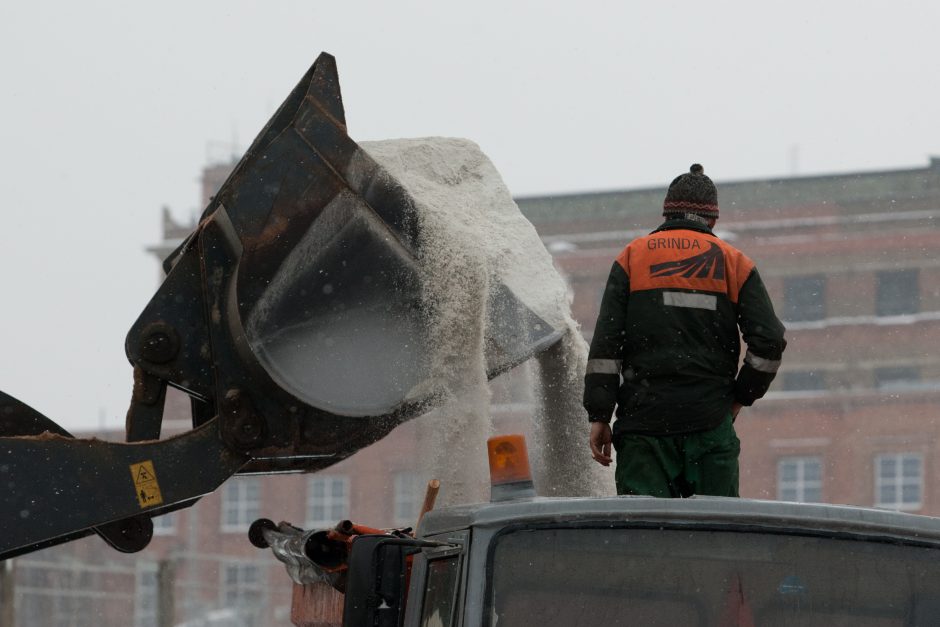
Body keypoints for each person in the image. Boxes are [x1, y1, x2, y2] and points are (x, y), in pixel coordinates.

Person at [584, 164, 786, 497]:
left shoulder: (631, 259)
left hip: (643, 428)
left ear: (666, 213)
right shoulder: (733, 262)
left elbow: (606, 347)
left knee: (644, 539)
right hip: (708, 424)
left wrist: (599, 413)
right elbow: (769, 342)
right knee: (713, 539)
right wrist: (740, 396)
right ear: (713, 219)